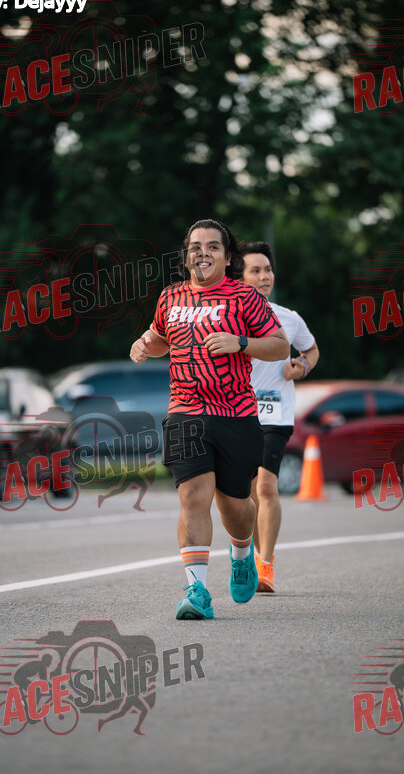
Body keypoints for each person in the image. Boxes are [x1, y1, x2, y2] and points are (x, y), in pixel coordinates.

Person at [130, 219, 289, 619]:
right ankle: (196, 590)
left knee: (235, 506)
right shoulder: (170, 296)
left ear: (228, 256)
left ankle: (242, 553)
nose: (203, 253)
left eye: (213, 246)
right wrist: (145, 343)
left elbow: (279, 346)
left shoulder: (244, 297)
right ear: (186, 255)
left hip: (236, 414)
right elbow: (160, 337)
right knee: (192, 497)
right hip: (185, 411)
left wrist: (241, 342)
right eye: (195, 246)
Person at [241, 242, 319, 592]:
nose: (264, 277)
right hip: (237, 411)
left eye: (268, 270)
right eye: (255, 270)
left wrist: (300, 366)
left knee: (265, 486)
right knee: (245, 493)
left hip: (275, 411)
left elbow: (311, 350)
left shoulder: (288, 317)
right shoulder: (226, 317)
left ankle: (266, 565)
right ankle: (254, 556)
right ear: (239, 277)